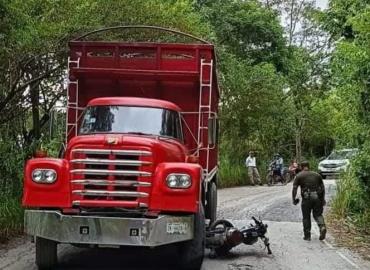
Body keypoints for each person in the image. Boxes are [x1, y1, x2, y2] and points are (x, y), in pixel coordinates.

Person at [292, 161, 327, 241]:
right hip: (317, 197)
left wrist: (294, 199)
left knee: (306, 217)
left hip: (306, 198)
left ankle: (307, 236)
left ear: (301, 167)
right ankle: (322, 227)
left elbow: (294, 188)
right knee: (318, 215)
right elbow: (322, 188)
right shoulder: (317, 175)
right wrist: (323, 199)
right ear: (309, 166)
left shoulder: (299, 175)